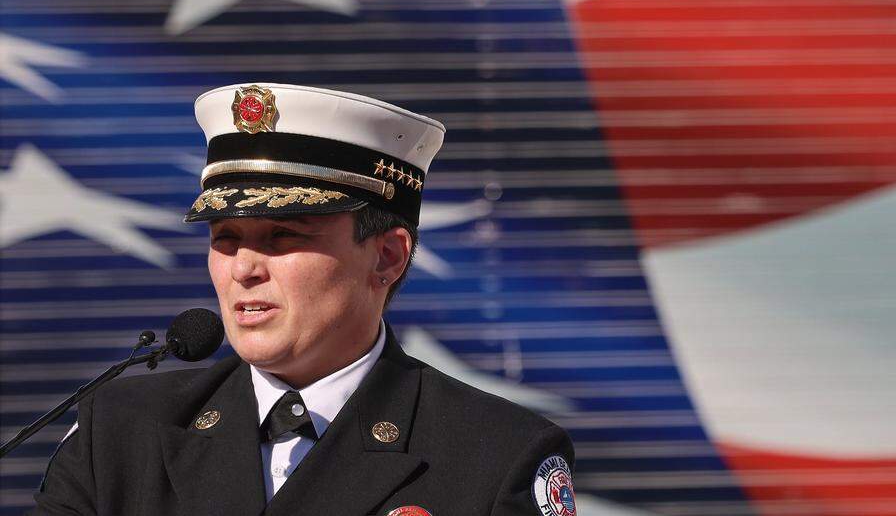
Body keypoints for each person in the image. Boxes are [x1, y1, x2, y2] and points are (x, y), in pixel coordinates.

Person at [31, 83, 577, 516]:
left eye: (284, 236)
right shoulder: (122, 431)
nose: (244, 268)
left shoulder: (495, 454)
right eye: (225, 239)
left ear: (387, 256)